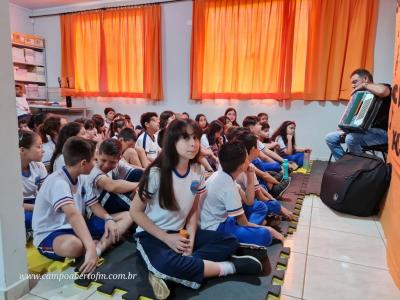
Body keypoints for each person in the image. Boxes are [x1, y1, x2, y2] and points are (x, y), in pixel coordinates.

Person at [130, 119, 262, 299]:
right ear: (172, 141)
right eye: (185, 138)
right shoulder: (156, 174)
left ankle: (184, 266)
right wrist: (166, 238)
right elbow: (135, 212)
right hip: (153, 235)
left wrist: (190, 239)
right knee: (164, 264)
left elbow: (193, 210)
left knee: (229, 240)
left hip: (181, 232)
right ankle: (229, 267)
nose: (193, 143)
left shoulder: (197, 170)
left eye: (196, 137)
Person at [32, 137, 131, 272]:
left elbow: (94, 205)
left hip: (77, 227)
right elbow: (73, 215)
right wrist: (89, 246)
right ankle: (92, 245)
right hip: (51, 233)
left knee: (127, 216)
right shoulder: (58, 182)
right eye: (94, 160)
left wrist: (108, 218)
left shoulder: (82, 177)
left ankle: (97, 250)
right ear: (84, 163)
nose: (96, 164)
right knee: (74, 246)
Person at [200, 141, 284, 249]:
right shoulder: (228, 186)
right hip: (215, 228)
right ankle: (239, 241)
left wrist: (250, 177)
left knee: (260, 206)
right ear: (241, 165)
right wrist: (269, 230)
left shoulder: (223, 174)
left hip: (225, 219)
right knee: (265, 236)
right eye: (246, 158)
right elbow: (244, 223)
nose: (248, 160)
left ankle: (249, 230)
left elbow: (249, 201)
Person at [325, 69, 391, 161]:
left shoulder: (382, 87)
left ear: (365, 78)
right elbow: (356, 120)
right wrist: (346, 128)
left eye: (355, 82)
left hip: (379, 134)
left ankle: (358, 168)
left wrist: (364, 85)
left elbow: (383, 91)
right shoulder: (361, 96)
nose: (353, 85)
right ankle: (344, 165)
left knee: (350, 139)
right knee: (330, 138)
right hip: (360, 132)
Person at [87, 138, 143, 215]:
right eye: (103, 160)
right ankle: (138, 210)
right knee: (111, 191)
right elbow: (111, 186)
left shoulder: (118, 162)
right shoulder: (92, 168)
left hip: (110, 201)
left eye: (112, 162)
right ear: (97, 154)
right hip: (95, 210)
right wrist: (141, 185)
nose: (106, 165)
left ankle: (138, 205)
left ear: (119, 159)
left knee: (138, 174)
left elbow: (136, 171)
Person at [19, 130, 47, 235]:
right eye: (39, 147)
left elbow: (45, 192)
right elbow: (13, 205)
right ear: (22, 150)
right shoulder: (9, 172)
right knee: (29, 219)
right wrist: (38, 208)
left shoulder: (39, 165)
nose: (43, 151)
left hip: (36, 202)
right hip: (20, 207)